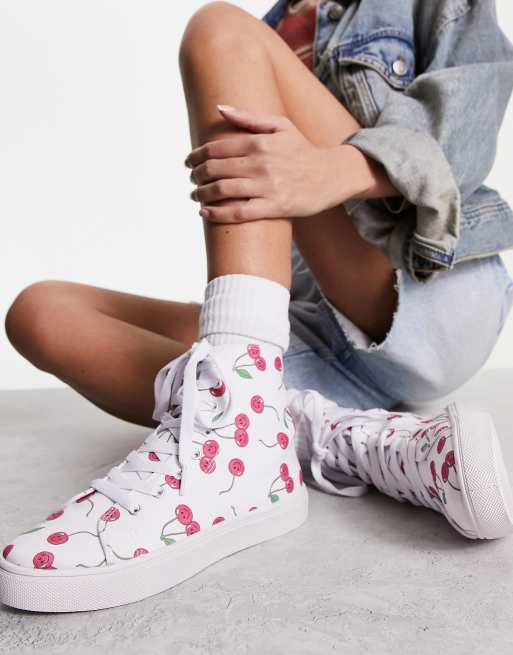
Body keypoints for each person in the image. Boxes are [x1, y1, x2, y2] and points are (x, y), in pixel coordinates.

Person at [1, 0, 513, 612]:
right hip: (318, 330)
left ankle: (238, 420)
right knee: (40, 313)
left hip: (428, 288)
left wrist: (337, 169)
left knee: (220, 31)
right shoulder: (276, 24)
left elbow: (469, 120)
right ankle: (338, 437)